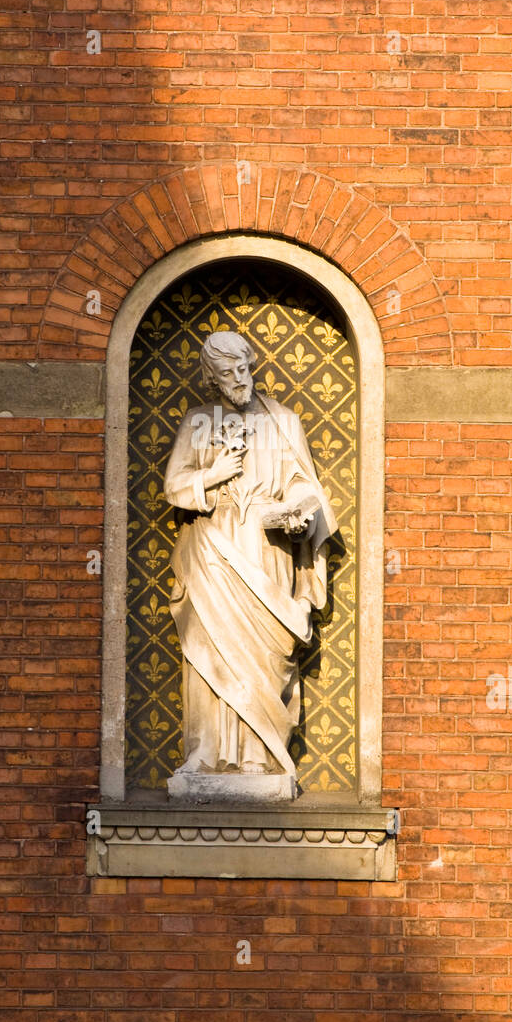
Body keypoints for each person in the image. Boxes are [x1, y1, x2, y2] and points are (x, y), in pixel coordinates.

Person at [163, 330, 337, 783]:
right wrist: (212, 474)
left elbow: (304, 484)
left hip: (267, 548)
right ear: (211, 377)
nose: (238, 379)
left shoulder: (284, 421)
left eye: (243, 369)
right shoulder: (197, 421)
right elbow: (173, 487)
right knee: (210, 648)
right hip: (212, 548)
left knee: (265, 654)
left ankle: (260, 754)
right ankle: (203, 754)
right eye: (226, 373)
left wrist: (299, 513)